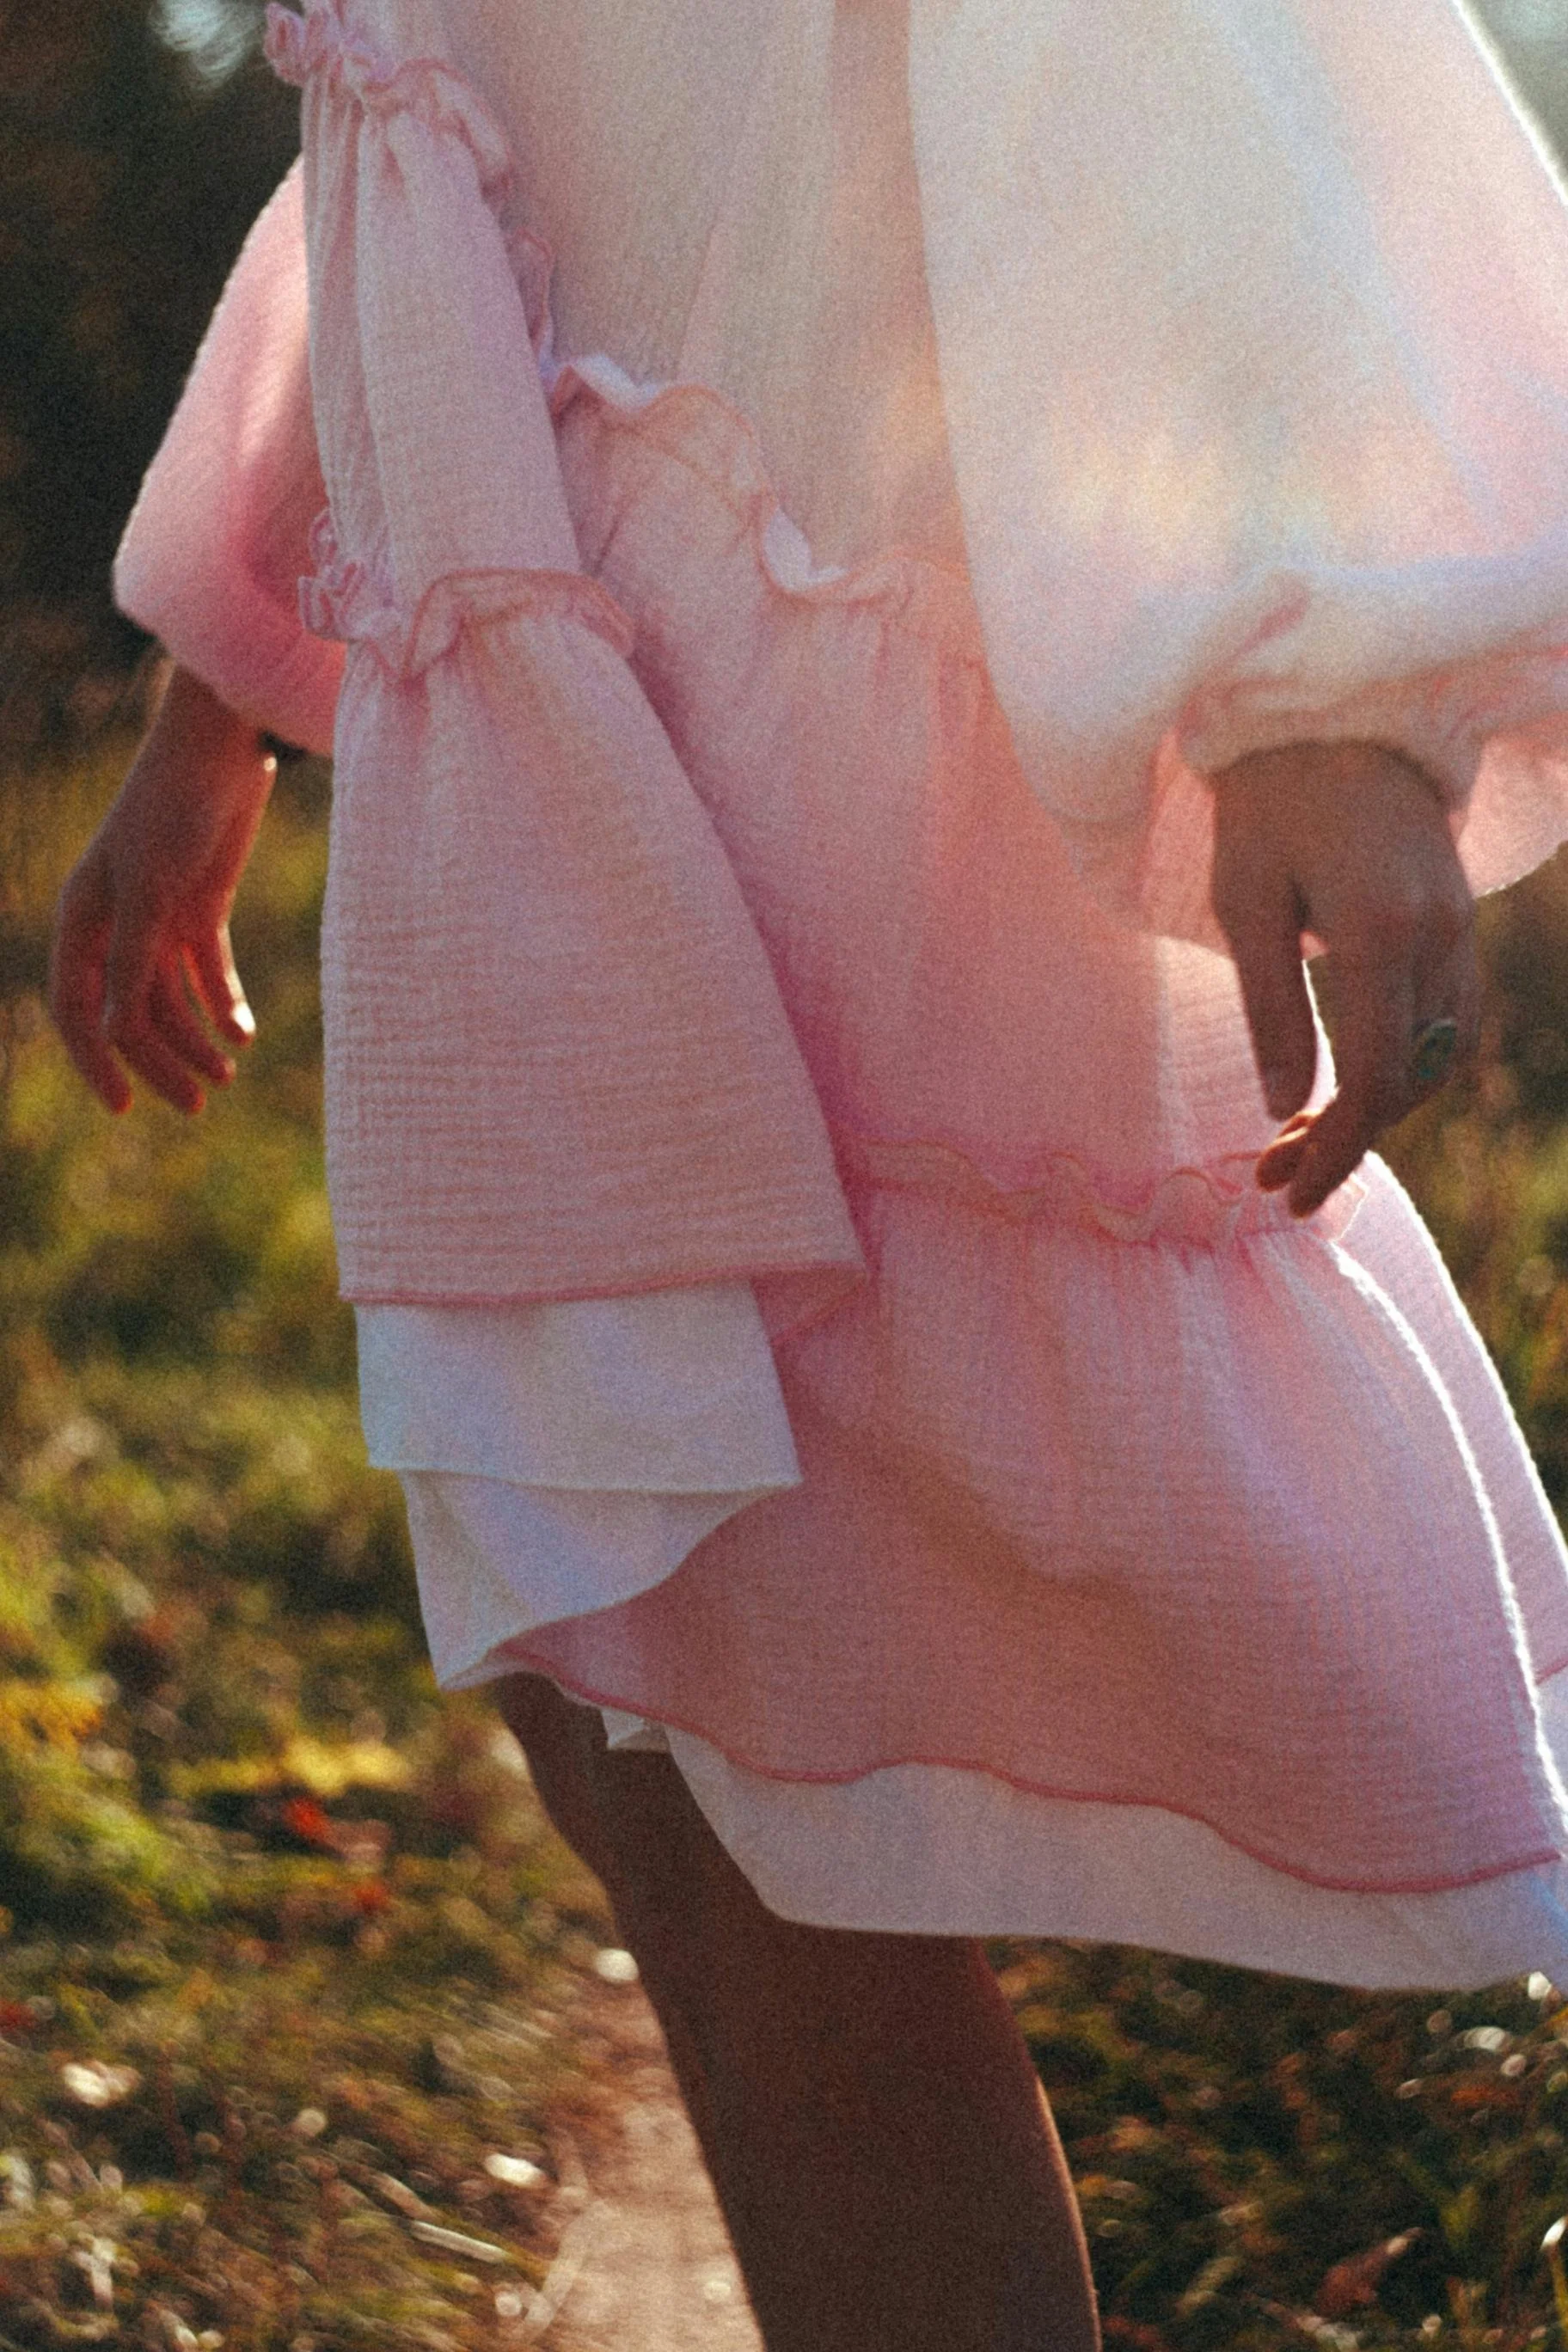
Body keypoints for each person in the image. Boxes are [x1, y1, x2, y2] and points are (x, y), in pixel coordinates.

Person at [46, 3, 1568, 2345]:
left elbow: (1166, 60)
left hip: (813, 789)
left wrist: (1315, 689)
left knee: (782, 1865)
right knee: (648, 1780)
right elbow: (427, 146)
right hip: (539, 822)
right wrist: (217, 689)